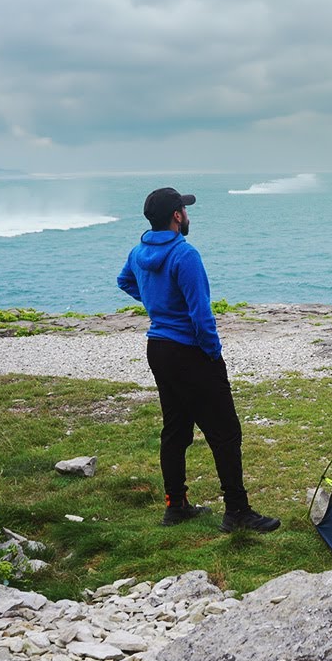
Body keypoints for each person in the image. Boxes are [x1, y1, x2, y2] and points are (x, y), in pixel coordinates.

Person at [117, 187, 280, 533]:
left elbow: (125, 282)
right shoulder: (184, 255)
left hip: (158, 348)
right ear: (177, 216)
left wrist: (155, 304)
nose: (188, 215)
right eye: (184, 210)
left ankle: (175, 505)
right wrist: (212, 352)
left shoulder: (138, 251)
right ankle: (237, 511)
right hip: (189, 350)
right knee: (226, 432)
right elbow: (201, 313)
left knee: (175, 429)